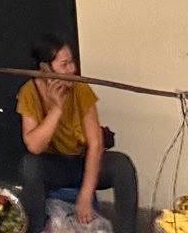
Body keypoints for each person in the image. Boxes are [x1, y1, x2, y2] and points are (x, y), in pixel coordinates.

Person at [18, 33, 138, 233]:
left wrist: (85, 195)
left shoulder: (80, 88)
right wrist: (56, 109)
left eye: (71, 62)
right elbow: (34, 146)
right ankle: (35, 228)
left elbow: (96, 144)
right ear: (45, 69)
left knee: (122, 165)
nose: (71, 69)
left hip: (83, 161)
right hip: (55, 165)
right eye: (64, 65)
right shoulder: (29, 93)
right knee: (30, 166)